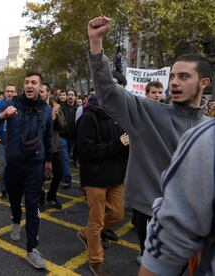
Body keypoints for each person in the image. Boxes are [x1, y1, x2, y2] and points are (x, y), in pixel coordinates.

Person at [87, 16, 211, 264]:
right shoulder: (149, 113)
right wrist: (96, 43)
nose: (174, 82)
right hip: (155, 216)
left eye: (184, 77)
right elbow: (109, 92)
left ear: (203, 83)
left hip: (202, 220)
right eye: (173, 76)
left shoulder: (209, 128)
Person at [0, 72, 53, 269]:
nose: (30, 86)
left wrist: (49, 161)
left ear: (40, 86)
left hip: (35, 165)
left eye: (34, 82)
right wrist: (3, 115)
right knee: (15, 200)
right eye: (27, 82)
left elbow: (49, 137)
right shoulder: (11, 103)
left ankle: (32, 249)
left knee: (33, 206)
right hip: (14, 164)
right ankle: (16, 220)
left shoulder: (47, 109)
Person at [139, 119, 215, 276]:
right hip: (149, 190)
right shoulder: (207, 139)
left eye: (159, 91)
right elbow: (171, 237)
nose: (171, 92)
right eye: (154, 91)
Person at [76, 95, 129, 275]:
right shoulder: (88, 117)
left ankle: (86, 233)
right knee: (96, 222)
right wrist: (118, 144)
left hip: (116, 177)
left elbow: (124, 146)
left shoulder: (118, 115)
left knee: (118, 215)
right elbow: (85, 151)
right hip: (95, 178)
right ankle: (96, 260)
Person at [39, 82, 65, 209]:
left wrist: (57, 116)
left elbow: (63, 126)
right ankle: (40, 198)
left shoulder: (56, 106)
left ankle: (52, 196)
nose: (39, 94)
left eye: (42, 91)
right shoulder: (36, 107)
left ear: (49, 93)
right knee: (40, 175)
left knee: (59, 173)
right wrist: (50, 118)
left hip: (54, 146)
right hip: (39, 148)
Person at [60, 89, 78, 188]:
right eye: (69, 95)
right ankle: (67, 179)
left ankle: (63, 174)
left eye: (72, 95)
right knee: (65, 158)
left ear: (75, 97)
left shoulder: (79, 109)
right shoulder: (61, 108)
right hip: (62, 136)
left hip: (73, 137)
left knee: (65, 157)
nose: (70, 96)